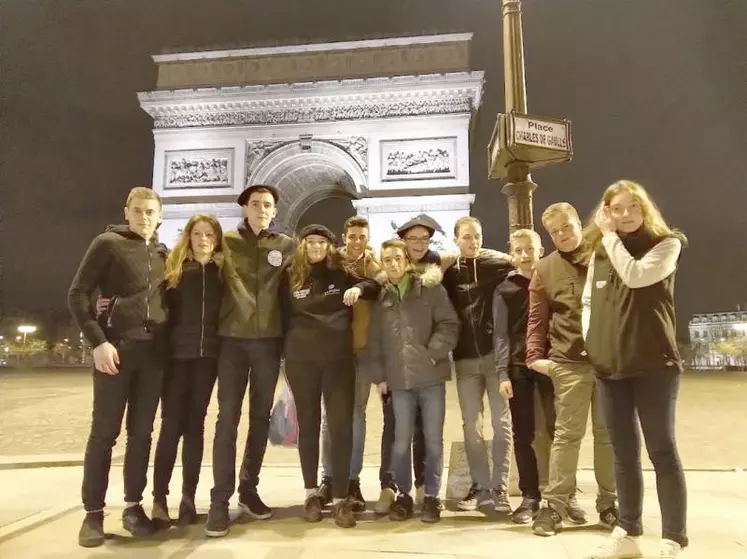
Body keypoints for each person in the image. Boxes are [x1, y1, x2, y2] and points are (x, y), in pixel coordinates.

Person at [581, 181, 687, 559]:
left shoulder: (667, 244)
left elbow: (637, 275)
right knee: (623, 454)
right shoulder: (600, 252)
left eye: (632, 207)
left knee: (662, 451)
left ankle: (673, 537)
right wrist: (592, 343)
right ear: (605, 210)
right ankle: (627, 530)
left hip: (654, 363)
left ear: (646, 210)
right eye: (616, 208)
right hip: (610, 366)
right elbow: (589, 302)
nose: (624, 215)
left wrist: (610, 238)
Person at [68, 187, 168, 547]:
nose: (144, 217)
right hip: (116, 352)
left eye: (151, 212)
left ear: (160, 215)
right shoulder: (107, 243)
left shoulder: (161, 252)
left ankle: (132, 507)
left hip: (153, 355)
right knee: (104, 434)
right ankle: (93, 514)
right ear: (127, 212)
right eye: (138, 211)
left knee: (142, 434)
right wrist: (98, 341)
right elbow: (77, 293)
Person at [206, 184, 295, 537]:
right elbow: (188, 259)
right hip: (231, 343)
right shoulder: (224, 243)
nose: (261, 209)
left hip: (268, 344)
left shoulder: (287, 246)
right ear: (244, 208)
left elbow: (318, 267)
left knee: (259, 419)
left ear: (275, 211)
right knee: (227, 419)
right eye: (255, 203)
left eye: (267, 205)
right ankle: (219, 500)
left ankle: (248, 489)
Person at [279, 224, 380, 528]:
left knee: (340, 427)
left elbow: (374, 285)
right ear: (303, 244)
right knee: (308, 426)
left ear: (330, 245)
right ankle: (311, 492)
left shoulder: (341, 272)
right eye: (311, 242)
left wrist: (359, 288)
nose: (316, 247)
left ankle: (340, 498)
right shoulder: (289, 275)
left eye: (322, 242)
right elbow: (279, 314)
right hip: (301, 360)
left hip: (337, 360)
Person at [526, 202, 618, 537]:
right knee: (567, 437)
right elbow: (537, 319)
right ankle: (555, 506)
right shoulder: (544, 269)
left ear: (579, 223)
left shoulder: (607, 254)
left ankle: (609, 504)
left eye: (567, 227)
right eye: (555, 232)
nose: (563, 235)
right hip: (568, 362)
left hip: (609, 361)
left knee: (608, 437)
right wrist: (534, 355)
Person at [150, 214, 246, 527]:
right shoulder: (174, 271)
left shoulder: (223, 273)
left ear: (217, 239)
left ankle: (188, 497)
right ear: (188, 236)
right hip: (176, 359)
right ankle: (159, 499)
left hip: (208, 359)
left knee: (195, 428)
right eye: (197, 233)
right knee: (170, 427)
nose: (203, 239)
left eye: (209, 234)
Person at [367, 239, 460, 523]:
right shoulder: (381, 298)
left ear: (407, 261)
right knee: (400, 441)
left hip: (430, 377)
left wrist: (433, 353)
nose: (393, 264)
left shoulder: (430, 289)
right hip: (398, 381)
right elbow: (375, 342)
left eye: (398, 258)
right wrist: (380, 377)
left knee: (432, 440)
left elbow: (449, 323)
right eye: (388, 260)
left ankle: (431, 496)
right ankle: (404, 495)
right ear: (382, 264)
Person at [441, 216, 515, 512]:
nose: (474, 242)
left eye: (478, 236)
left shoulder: (495, 264)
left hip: (495, 357)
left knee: (501, 423)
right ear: (456, 239)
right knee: (471, 426)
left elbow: (522, 260)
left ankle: (499, 486)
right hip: (465, 359)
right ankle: (480, 486)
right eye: (467, 237)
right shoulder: (448, 274)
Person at [318, 216, 388, 513]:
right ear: (344, 237)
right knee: (329, 418)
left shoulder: (377, 269)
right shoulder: (329, 264)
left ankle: (351, 479)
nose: (356, 241)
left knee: (356, 416)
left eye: (362, 236)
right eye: (352, 236)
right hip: (332, 351)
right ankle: (328, 478)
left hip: (361, 352)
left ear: (367, 238)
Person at [493, 228, 556, 524]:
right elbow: (501, 336)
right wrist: (502, 372)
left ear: (540, 250)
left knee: (559, 432)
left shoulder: (553, 280)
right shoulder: (504, 290)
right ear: (511, 254)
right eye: (518, 250)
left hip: (554, 364)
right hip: (519, 367)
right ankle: (530, 495)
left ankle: (560, 495)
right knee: (523, 434)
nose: (524, 255)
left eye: (529, 248)